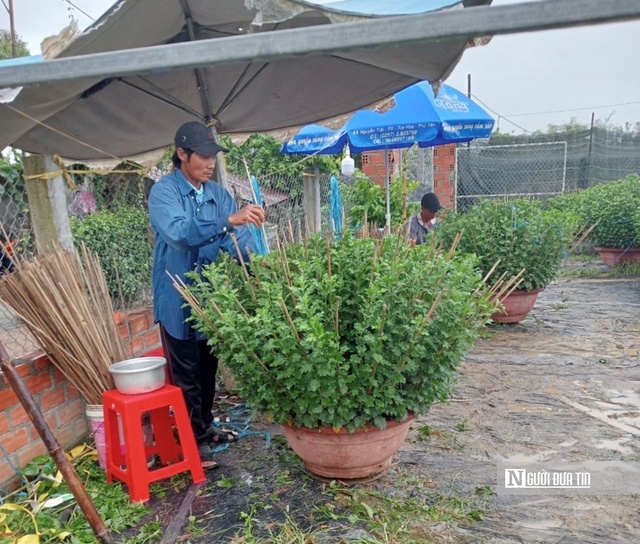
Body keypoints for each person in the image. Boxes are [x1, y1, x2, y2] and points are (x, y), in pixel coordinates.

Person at [148, 121, 265, 469]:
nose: (210, 163)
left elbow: (237, 242)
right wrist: (230, 220)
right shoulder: (164, 193)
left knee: (207, 368)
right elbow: (181, 234)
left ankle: (205, 425)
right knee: (185, 374)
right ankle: (191, 442)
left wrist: (260, 267)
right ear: (182, 155)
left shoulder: (217, 194)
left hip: (209, 299)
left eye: (213, 156)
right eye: (203, 155)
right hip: (176, 297)